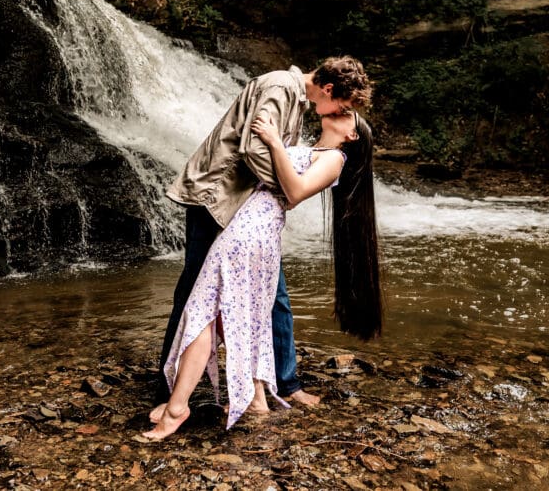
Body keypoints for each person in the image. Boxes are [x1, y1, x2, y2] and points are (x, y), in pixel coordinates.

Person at [145, 110, 381, 439]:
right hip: (249, 231)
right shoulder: (313, 150)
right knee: (240, 317)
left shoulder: (335, 159)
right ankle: (256, 398)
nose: (339, 110)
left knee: (203, 313)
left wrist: (273, 141)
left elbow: (295, 192)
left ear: (351, 135)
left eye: (347, 115)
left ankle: (176, 408)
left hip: (248, 236)